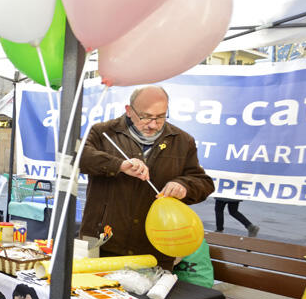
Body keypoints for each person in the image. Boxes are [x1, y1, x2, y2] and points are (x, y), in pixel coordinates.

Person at [79, 85, 214, 270]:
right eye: (146, 117)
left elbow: (203, 182)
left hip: (154, 250)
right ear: (129, 111)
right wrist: (119, 165)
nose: (153, 124)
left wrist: (183, 185)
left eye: (160, 117)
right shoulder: (103, 132)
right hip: (103, 244)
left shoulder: (182, 140)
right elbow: (79, 158)